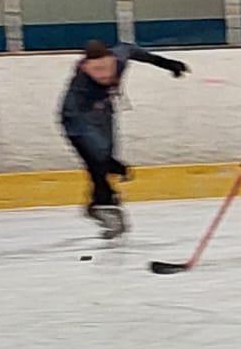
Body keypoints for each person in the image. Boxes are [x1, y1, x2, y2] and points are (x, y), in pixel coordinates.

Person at [59, 38, 188, 235]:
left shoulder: (120, 56)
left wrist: (168, 64)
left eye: (105, 68)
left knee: (104, 157)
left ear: (111, 59)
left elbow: (135, 51)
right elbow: (76, 129)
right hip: (78, 118)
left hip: (103, 114)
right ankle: (103, 203)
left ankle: (102, 202)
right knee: (97, 160)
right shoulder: (79, 87)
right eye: (96, 70)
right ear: (85, 67)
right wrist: (108, 162)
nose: (103, 74)